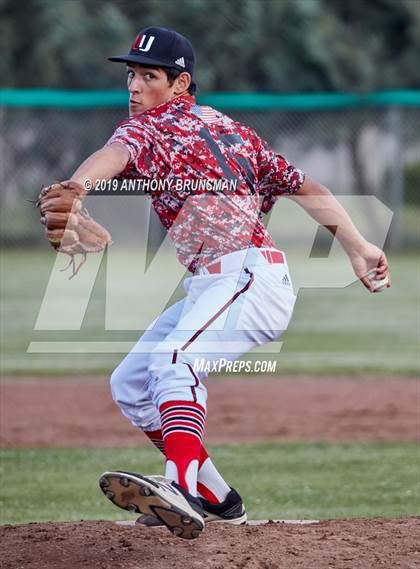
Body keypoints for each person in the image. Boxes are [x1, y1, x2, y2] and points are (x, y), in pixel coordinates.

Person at [69, 26, 391, 540]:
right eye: (130, 74)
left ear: (180, 84)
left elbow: (114, 156)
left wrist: (75, 187)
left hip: (248, 276)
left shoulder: (151, 129)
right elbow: (305, 185)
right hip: (225, 282)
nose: (133, 86)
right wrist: (358, 244)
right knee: (131, 385)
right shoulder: (233, 131)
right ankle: (219, 498)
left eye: (148, 75)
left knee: (175, 362)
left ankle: (180, 489)